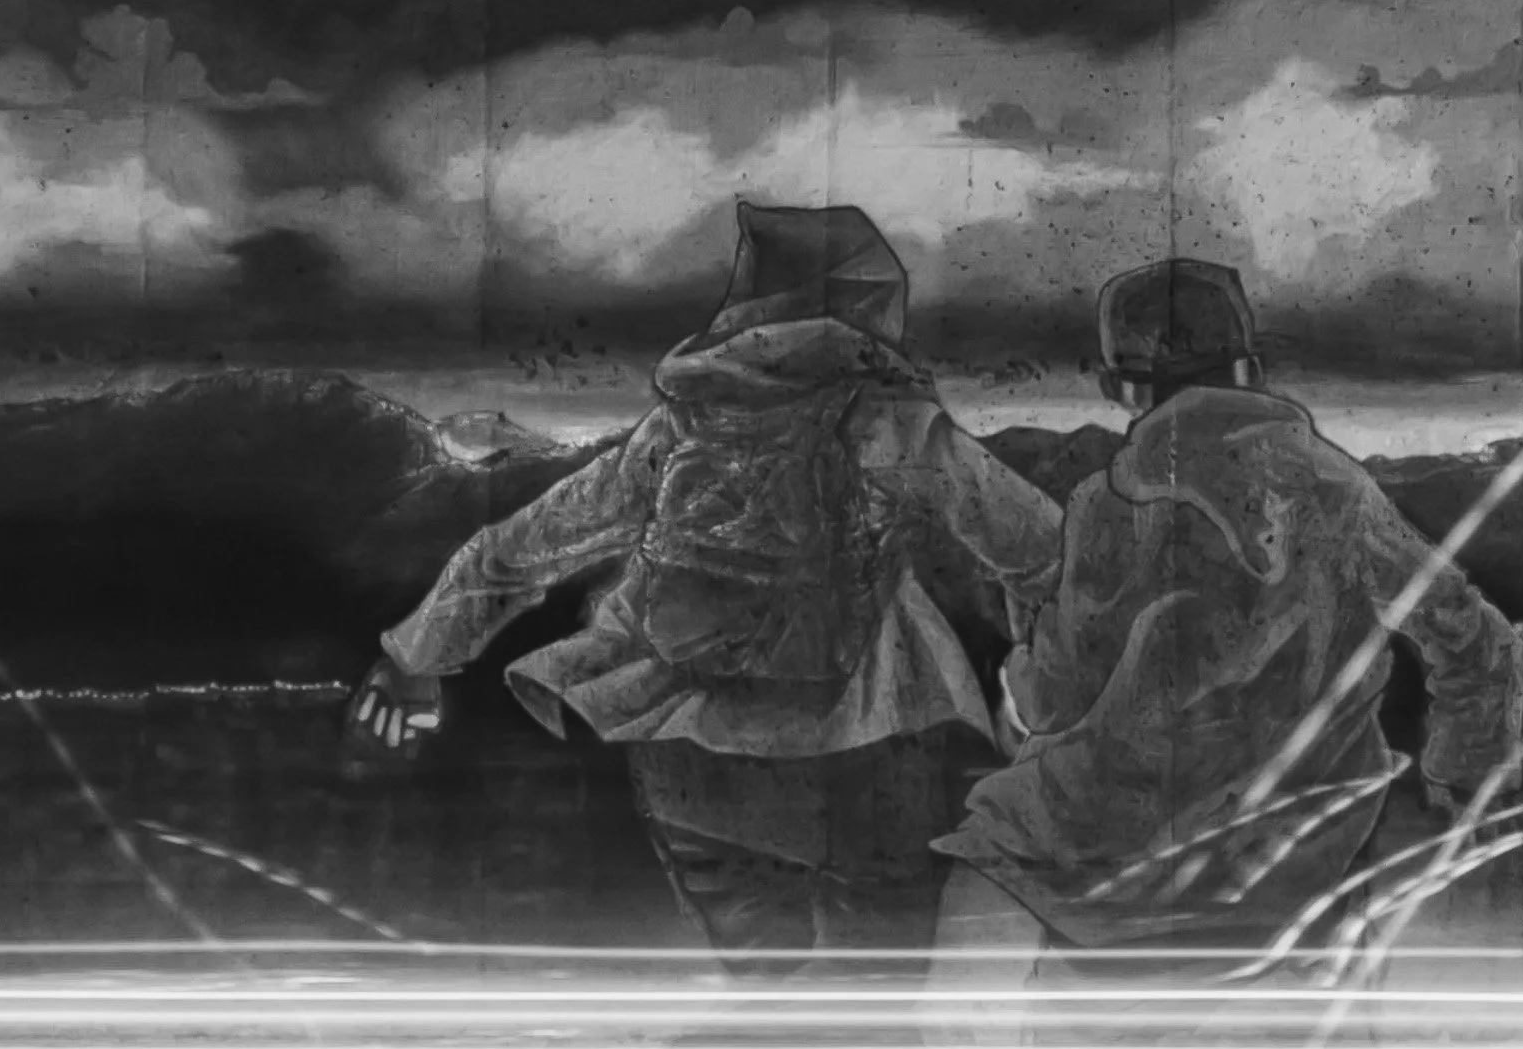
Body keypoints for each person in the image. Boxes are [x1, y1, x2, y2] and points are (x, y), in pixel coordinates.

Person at [344, 203, 1063, 963]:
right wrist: (1042, 687)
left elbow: (525, 546)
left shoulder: (678, 426)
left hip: (686, 760)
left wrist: (415, 659)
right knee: (874, 979)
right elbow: (1044, 554)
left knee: (760, 977)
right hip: (869, 754)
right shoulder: (896, 424)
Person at [922, 258, 1523, 1048]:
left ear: (1120, 388)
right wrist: (1467, 767)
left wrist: (1019, 671)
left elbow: (1059, 700)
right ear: (1252, 365)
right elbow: (1474, 634)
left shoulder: (1104, 507)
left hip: (1118, 893)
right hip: (1298, 870)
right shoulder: (1340, 493)